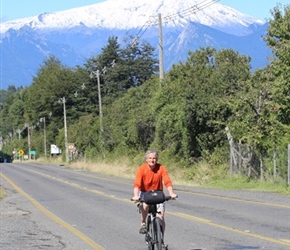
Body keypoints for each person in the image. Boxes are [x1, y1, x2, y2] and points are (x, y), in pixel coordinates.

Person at [132, 149, 177, 244]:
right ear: (146, 159)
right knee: (145, 205)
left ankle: (161, 240)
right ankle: (143, 223)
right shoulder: (141, 169)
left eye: (154, 158)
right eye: (150, 158)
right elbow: (137, 184)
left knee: (161, 217)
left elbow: (167, 181)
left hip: (158, 193)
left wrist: (171, 193)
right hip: (145, 192)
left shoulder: (161, 168)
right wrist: (136, 195)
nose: (152, 160)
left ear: (157, 159)